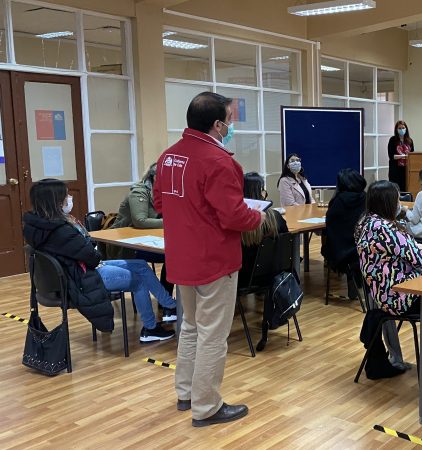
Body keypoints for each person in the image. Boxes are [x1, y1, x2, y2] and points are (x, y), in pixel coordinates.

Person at [153, 92, 266, 427]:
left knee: (189, 327)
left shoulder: (168, 158)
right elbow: (233, 216)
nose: (231, 125)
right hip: (214, 261)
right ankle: (207, 407)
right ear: (217, 125)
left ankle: (186, 393)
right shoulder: (219, 161)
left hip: (181, 259)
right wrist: (258, 217)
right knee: (213, 335)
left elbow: (161, 204)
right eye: (230, 119)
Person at [23, 179, 177, 342]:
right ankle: (150, 329)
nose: (69, 198)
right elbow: (92, 256)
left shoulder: (36, 225)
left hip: (75, 270)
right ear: (55, 200)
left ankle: (170, 306)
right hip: (81, 277)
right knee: (138, 281)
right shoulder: (61, 230)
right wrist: (91, 252)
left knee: (140, 266)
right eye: (65, 195)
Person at [356, 180, 422, 382]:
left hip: (383, 293)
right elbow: (420, 257)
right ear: (388, 202)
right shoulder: (385, 228)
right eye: (397, 199)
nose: (399, 203)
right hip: (402, 296)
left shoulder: (365, 223)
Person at [108, 162, 175, 305]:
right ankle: (167, 302)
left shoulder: (164, 193)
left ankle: (167, 302)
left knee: (174, 256)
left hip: (149, 239)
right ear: (156, 177)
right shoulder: (139, 191)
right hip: (126, 245)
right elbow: (140, 221)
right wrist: (173, 221)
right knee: (171, 257)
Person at [322, 168, 367, 299]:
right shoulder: (365, 198)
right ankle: (357, 290)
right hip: (361, 248)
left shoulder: (338, 201)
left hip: (340, 251)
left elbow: (330, 224)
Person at [241, 172, 288, 287]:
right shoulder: (275, 216)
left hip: (244, 278)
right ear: (261, 191)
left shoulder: (239, 221)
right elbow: (285, 239)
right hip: (272, 274)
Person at [387, 120, 414, 191]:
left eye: (403, 128)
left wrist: (407, 157)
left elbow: (412, 155)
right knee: (395, 189)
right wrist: (404, 156)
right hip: (395, 170)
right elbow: (391, 156)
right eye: (399, 128)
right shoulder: (392, 140)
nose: (401, 130)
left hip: (406, 169)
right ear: (396, 129)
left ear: (406, 129)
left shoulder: (410, 141)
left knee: (405, 188)